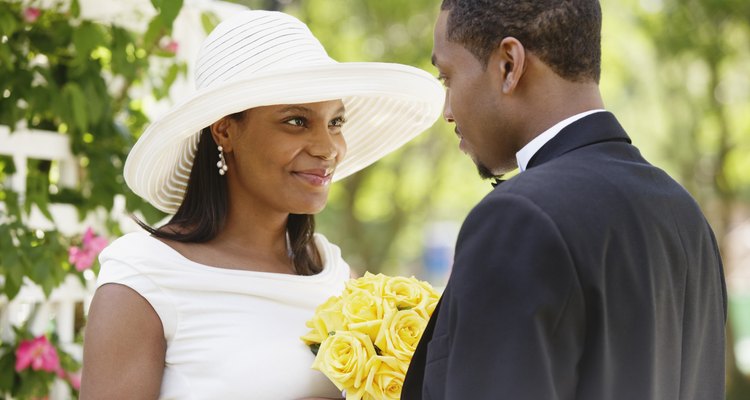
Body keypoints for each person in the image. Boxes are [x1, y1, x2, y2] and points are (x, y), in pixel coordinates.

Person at [79, 9, 443, 400]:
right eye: (296, 121)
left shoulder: (333, 272)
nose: (328, 148)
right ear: (225, 130)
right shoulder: (144, 277)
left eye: (335, 122)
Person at [402, 1, 727, 399]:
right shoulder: (684, 216)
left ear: (508, 65)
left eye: (447, 76)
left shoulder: (518, 218)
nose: (448, 111)